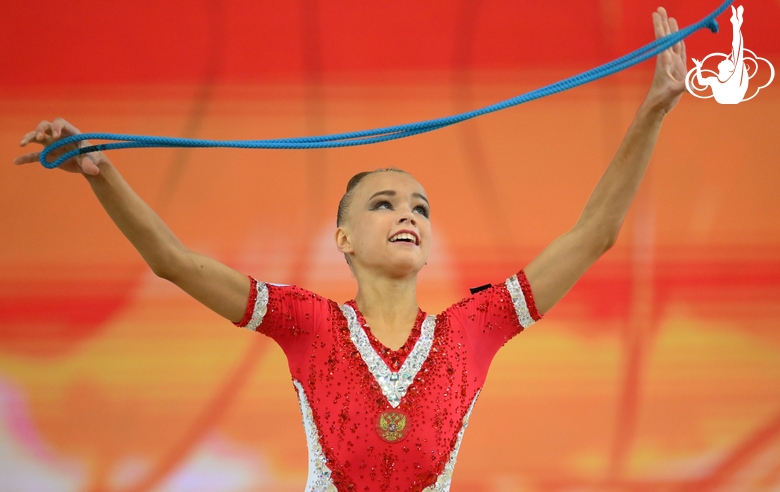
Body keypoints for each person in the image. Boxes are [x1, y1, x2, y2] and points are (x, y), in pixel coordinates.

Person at [13, 7, 687, 492]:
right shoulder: (307, 322)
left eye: (420, 207)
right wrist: (102, 173)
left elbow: (593, 233)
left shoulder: (473, 330)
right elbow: (175, 262)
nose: (408, 215)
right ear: (343, 239)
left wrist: (653, 108)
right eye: (385, 203)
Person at [691, 5, 748, 104]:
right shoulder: (716, 80)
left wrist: (736, 25)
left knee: (738, 54)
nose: (725, 59)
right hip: (728, 98)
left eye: (726, 61)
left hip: (731, 98)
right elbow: (737, 49)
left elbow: (737, 47)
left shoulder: (733, 77)